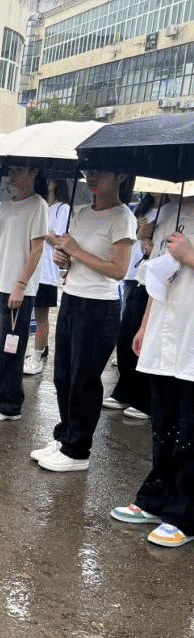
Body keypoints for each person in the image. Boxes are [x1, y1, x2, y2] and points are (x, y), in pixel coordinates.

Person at [31, 169, 136, 472]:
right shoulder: (80, 213)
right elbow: (74, 257)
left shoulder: (123, 217)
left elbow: (119, 270)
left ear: (120, 177)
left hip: (99, 306)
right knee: (63, 375)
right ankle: (65, 436)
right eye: (89, 171)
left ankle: (78, 450)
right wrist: (64, 258)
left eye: (101, 172)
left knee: (84, 379)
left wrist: (77, 250)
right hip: (72, 298)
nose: (91, 177)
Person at [110, 196, 194, 547]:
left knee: (190, 431)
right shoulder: (170, 213)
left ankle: (184, 514)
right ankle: (156, 498)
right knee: (164, 425)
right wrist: (145, 325)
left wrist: (190, 256)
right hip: (164, 331)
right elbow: (157, 279)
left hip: (190, 337)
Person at [0, 166, 48, 421]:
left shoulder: (38, 205)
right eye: (12, 170)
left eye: (19, 170)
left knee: (10, 348)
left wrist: (20, 285)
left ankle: (8, 405)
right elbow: (0, 244)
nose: (12, 175)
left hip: (16, 288)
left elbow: (37, 249)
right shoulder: (6, 204)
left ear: (33, 172)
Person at [103, 191, 159, 419]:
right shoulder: (142, 209)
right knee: (127, 335)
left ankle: (144, 398)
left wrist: (154, 243)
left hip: (159, 282)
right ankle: (125, 389)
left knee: (147, 338)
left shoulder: (175, 210)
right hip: (138, 276)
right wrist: (141, 234)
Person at [23, 179, 71, 375]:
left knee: (41, 315)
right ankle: (34, 349)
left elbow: (63, 241)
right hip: (29, 267)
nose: (46, 180)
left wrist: (43, 232)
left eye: (51, 177)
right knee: (27, 312)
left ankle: (36, 356)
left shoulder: (63, 209)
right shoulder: (37, 204)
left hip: (46, 270)